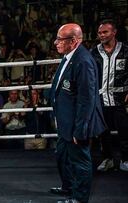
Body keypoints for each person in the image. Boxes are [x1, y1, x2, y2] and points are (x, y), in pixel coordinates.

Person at [49, 24, 106, 203]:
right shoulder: (69, 57)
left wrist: (81, 129)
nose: (55, 42)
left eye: (60, 39)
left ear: (73, 41)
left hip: (76, 124)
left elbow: (87, 100)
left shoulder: (83, 61)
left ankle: (79, 199)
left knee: (80, 161)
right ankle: (68, 187)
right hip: (65, 121)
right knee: (62, 156)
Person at [90, 19, 128, 172]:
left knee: (125, 131)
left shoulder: (126, 50)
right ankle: (108, 159)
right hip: (100, 99)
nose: (101, 35)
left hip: (122, 100)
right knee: (103, 132)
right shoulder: (93, 52)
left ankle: (126, 159)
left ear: (114, 32)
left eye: (105, 32)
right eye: (99, 33)